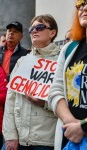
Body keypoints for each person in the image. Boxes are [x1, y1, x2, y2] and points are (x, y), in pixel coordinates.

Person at [2, 14, 60, 150]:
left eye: (39, 27)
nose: (34, 31)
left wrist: (45, 103)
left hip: (47, 140)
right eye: (31, 29)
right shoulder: (22, 61)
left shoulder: (61, 61)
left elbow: (68, 100)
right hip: (21, 140)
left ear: (52, 32)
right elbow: (10, 100)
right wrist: (10, 135)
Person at [48, 0, 87, 149]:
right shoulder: (69, 49)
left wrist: (83, 127)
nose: (84, 7)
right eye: (80, 4)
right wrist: (71, 123)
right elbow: (55, 91)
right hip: (70, 137)